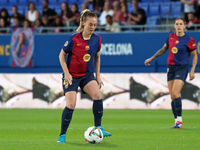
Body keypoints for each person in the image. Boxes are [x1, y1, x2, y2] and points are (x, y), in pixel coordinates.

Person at [57, 9, 112, 143]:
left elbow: (97, 57)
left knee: (98, 96)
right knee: (71, 104)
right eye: (90, 24)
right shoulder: (73, 39)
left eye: (95, 24)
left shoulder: (97, 39)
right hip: (72, 76)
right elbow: (61, 55)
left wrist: (98, 76)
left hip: (87, 75)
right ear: (83, 23)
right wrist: (67, 74)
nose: (93, 27)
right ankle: (62, 135)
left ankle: (98, 127)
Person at [144, 18, 198, 129]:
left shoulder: (189, 39)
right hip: (171, 68)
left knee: (175, 93)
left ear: (184, 26)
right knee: (173, 96)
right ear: (174, 26)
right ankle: (176, 122)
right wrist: (151, 58)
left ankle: (179, 121)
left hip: (182, 68)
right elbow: (163, 50)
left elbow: (195, 55)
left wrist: (192, 70)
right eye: (177, 24)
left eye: (180, 24)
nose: (178, 26)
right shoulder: (171, 37)